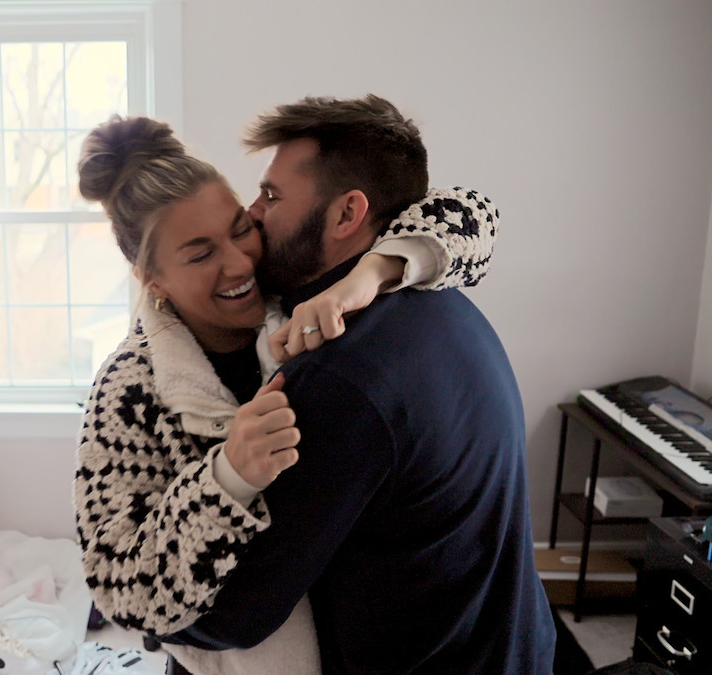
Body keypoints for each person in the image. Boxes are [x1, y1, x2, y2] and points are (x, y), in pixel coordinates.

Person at [73, 113, 501, 674]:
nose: (239, 261)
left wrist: (373, 271)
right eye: (200, 254)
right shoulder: (128, 391)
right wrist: (226, 475)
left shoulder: (287, 287)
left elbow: (475, 214)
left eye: (240, 226)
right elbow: (118, 588)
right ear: (151, 279)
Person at [164, 95, 557, 674]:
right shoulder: (438, 292)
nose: (253, 213)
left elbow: (234, 614)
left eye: (272, 195)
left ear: (347, 215)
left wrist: (145, 608)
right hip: (514, 647)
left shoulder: (338, 379)